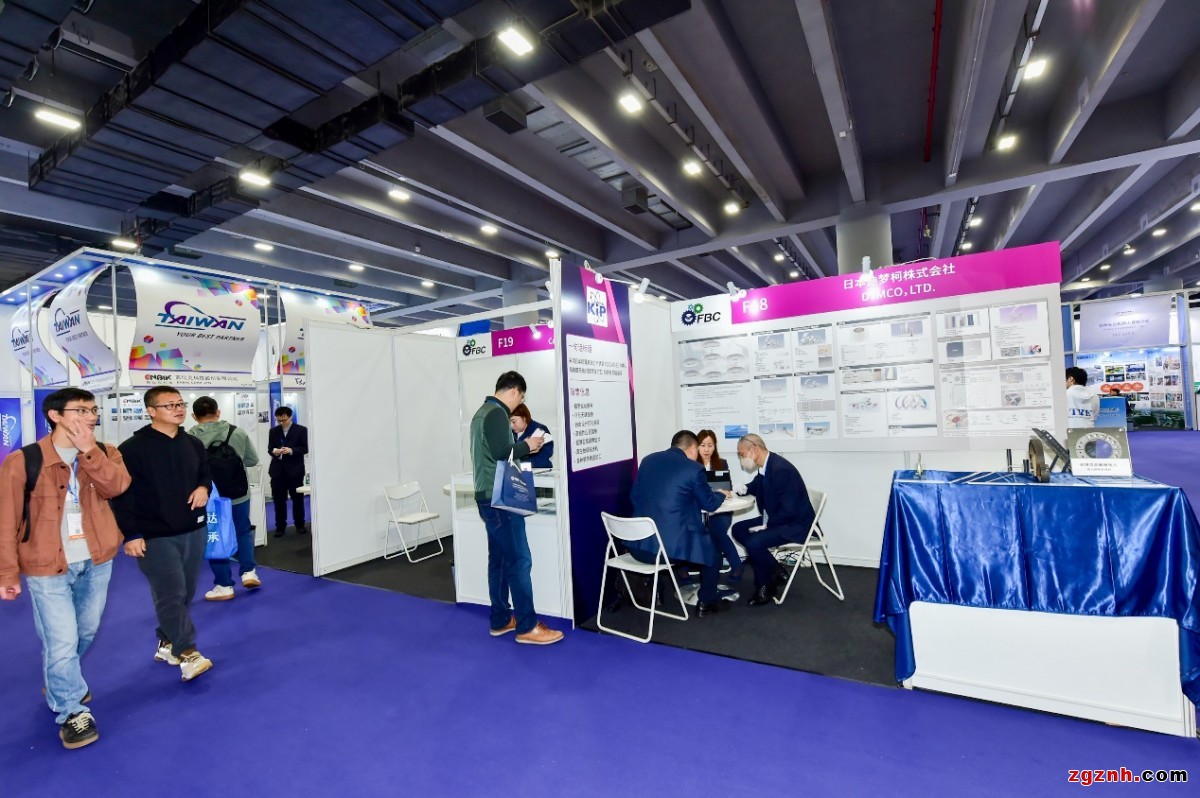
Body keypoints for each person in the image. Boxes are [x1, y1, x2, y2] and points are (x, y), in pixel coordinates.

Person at [0, 388, 131, 749]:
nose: (91, 416)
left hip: (97, 558)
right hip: (46, 565)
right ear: (55, 415)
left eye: (93, 410)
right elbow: (6, 520)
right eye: (81, 410)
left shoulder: (105, 452)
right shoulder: (23, 460)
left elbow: (117, 487)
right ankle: (71, 710)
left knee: (86, 631)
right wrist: (7, 573)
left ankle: (61, 680)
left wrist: (89, 452)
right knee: (62, 640)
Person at [111, 386, 214, 682]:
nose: (178, 409)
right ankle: (188, 652)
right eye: (170, 405)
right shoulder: (132, 449)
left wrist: (203, 487)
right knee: (171, 592)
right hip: (154, 534)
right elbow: (121, 495)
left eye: (181, 404)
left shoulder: (193, 443)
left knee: (187, 591)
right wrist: (131, 534)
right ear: (151, 411)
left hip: (193, 528)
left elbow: (204, 473)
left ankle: (167, 643)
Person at [470, 371, 562, 645]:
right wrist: (527, 445)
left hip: (487, 495)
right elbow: (502, 452)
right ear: (513, 392)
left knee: (499, 560)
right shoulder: (497, 413)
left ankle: (500, 619)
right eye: (520, 398)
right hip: (501, 497)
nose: (518, 403)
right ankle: (527, 625)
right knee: (519, 560)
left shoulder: (481, 413)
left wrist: (521, 447)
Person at [630, 431, 737, 616]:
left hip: (638, 547)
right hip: (666, 552)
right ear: (693, 448)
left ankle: (658, 592)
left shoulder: (648, 460)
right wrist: (720, 494)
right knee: (712, 551)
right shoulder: (694, 469)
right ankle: (706, 602)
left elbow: (634, 497)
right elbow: (709, 504)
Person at [731, 434, 816, 607]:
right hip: (778, 517)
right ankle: (776, 570)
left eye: (742, 454)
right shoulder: (767, 465)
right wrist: (745, 488)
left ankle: (766, 588)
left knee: (754, 543)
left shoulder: (781, 469)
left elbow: (790, 510)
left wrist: (767, 526)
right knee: (738, 529)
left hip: (794, 524)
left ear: (754, 450)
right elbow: (758, 485)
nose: (741, 459)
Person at [189, 396, 261, 600]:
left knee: (214, 537)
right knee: (242, 531)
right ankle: (249, 572)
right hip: (238, 493)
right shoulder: (237, 432)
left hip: (209, 498)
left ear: (194, 416)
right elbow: (252, 460)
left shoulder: (188, 439)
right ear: (218, 412)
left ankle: (224, 585)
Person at [696, 428, 743, 583]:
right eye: (703, 445)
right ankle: (683, 570)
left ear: (715, 446)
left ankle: (737, 566)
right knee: (690, 529)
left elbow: (727, 488)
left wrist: (726, 492)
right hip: (698, 511)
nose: (706, 449)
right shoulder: (691, 465)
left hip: (721, 510)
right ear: (696, 446)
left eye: (710, 445)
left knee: (716, 530)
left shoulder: (721, 463)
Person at [268, 406, 308, 537]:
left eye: (284, 420)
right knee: (278, 500)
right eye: (279, 420)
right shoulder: (273, 431)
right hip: (277, 471)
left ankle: (300, 525)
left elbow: (305, 448)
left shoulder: (301, 430)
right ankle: (280, 527)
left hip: (295, 471)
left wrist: (291, 451)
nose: (281, 422)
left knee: (297, 500)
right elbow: (270, 448)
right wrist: (275, 452)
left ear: (290, 417)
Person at [509, 403, 554, 469]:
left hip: (539, 471)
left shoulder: (540, 430)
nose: (511, 426)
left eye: (514, 421)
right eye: (509, 422)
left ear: (524, 417)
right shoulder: (510, 433)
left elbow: (544, 457)